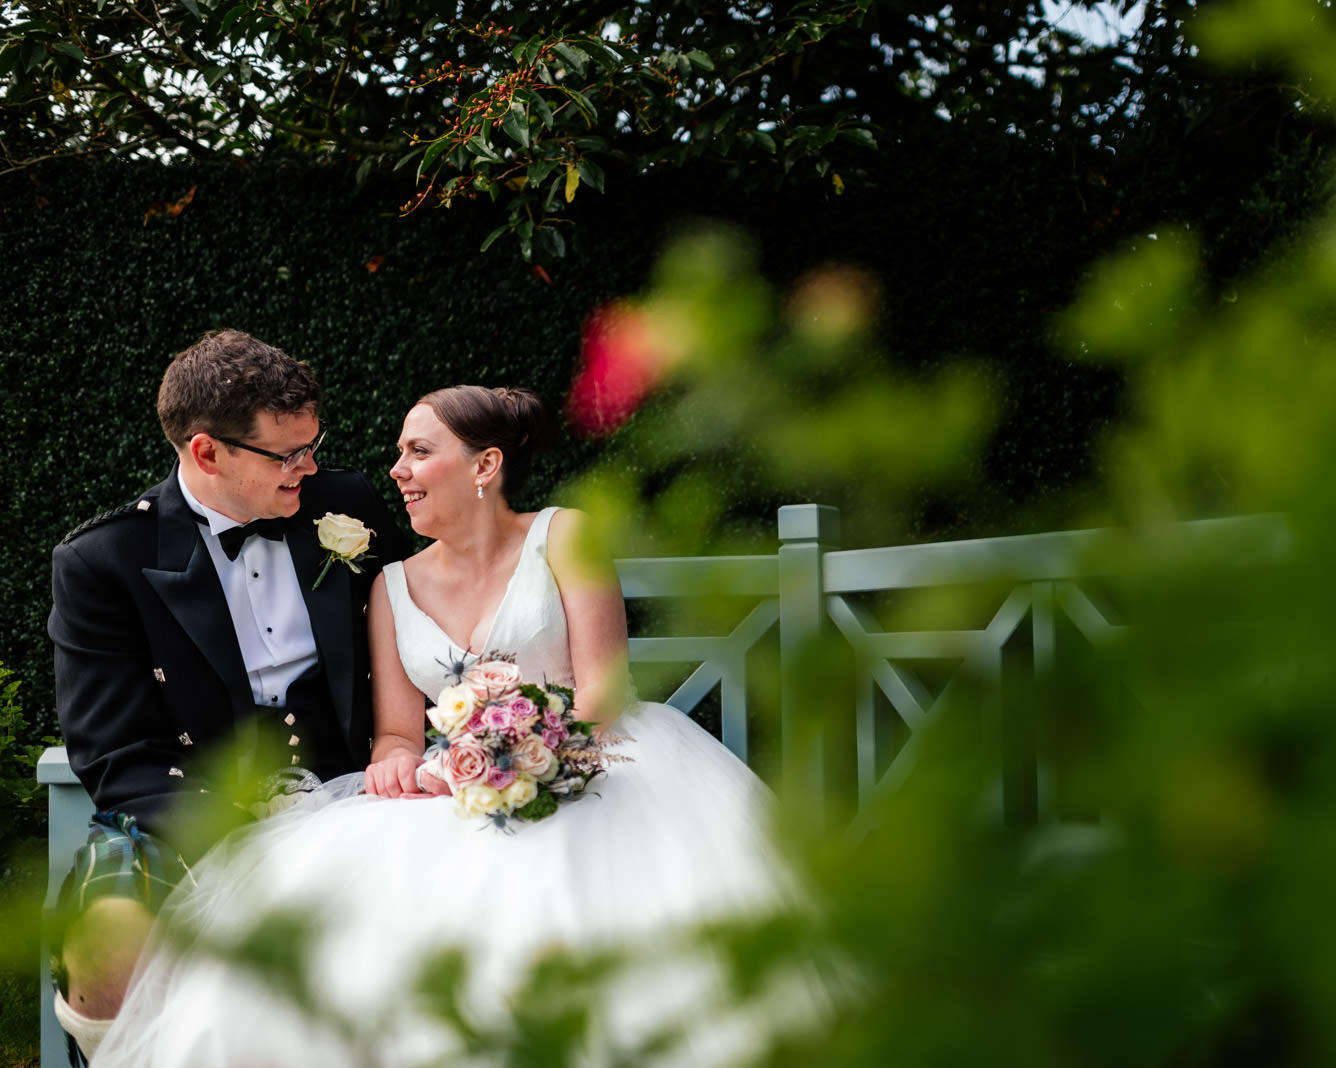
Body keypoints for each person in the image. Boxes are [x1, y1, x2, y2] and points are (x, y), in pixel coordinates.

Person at [93, 386, 810, 1067]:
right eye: (399, 454)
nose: (396, 472)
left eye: (417, 451)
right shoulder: (390, 585)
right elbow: (399, 733)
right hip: (456, 786)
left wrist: (524, 748)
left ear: (485, 465)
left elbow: (603, 688)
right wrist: (395, 762)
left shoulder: (566, 535)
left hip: (599, 761)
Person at [46, 329, 408, 1061]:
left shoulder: (342, 503)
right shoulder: (103, 562)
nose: (308, 467)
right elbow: (116, 754)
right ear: (206, 451)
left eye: (313, 444)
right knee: (105, 952)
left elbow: (428, 620)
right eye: (286, 454)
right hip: (189, 814)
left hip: (358, 794)